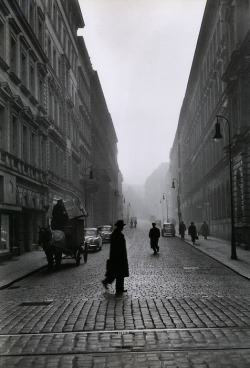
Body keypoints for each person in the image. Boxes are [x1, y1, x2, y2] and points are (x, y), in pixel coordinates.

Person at [102, 220, 129, 293]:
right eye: (122, 226)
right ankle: (119, 288)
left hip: (118, 257)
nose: (123, 227)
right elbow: (118, 247)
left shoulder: (116, 233)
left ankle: (119, 288)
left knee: (116, 273)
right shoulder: (117, 234)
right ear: (120, 226)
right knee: (119, 273)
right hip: (118, 257)